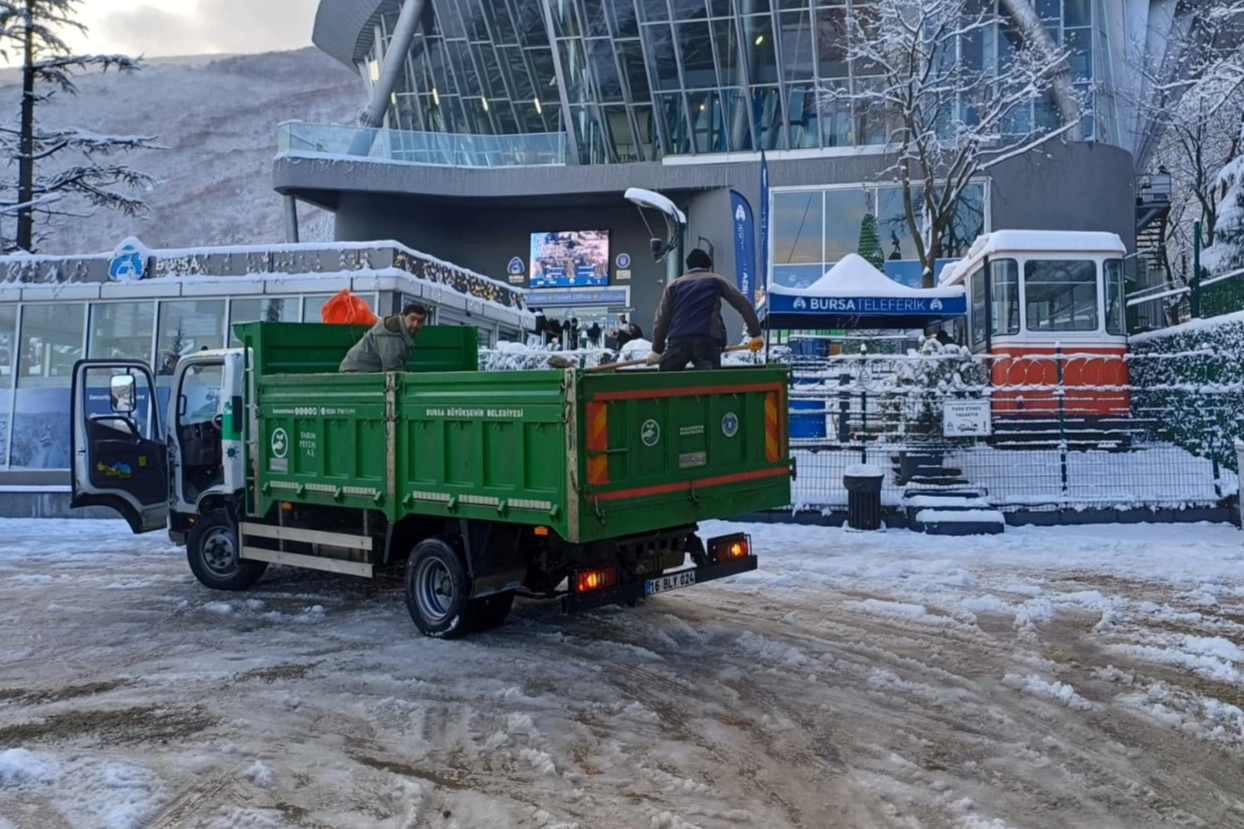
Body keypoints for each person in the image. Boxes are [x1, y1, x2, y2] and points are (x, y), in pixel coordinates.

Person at [648, 249, 764, 371]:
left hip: (678, 341)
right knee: (708, 384)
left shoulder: (673, 286)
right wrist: (756, 334)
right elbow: (743, 304)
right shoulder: (716, 280)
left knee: (667, 381)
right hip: (707, 342)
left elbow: (661, 319)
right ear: (707, 266)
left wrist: (657, 350)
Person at [338, 302, 428, 373]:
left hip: (363, 371)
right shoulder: (392, 335)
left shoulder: (400, 332)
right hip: (354, 372)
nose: (415, 324)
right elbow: (392, 370)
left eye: (420, 321)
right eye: (412, 319)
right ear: (403, 317)